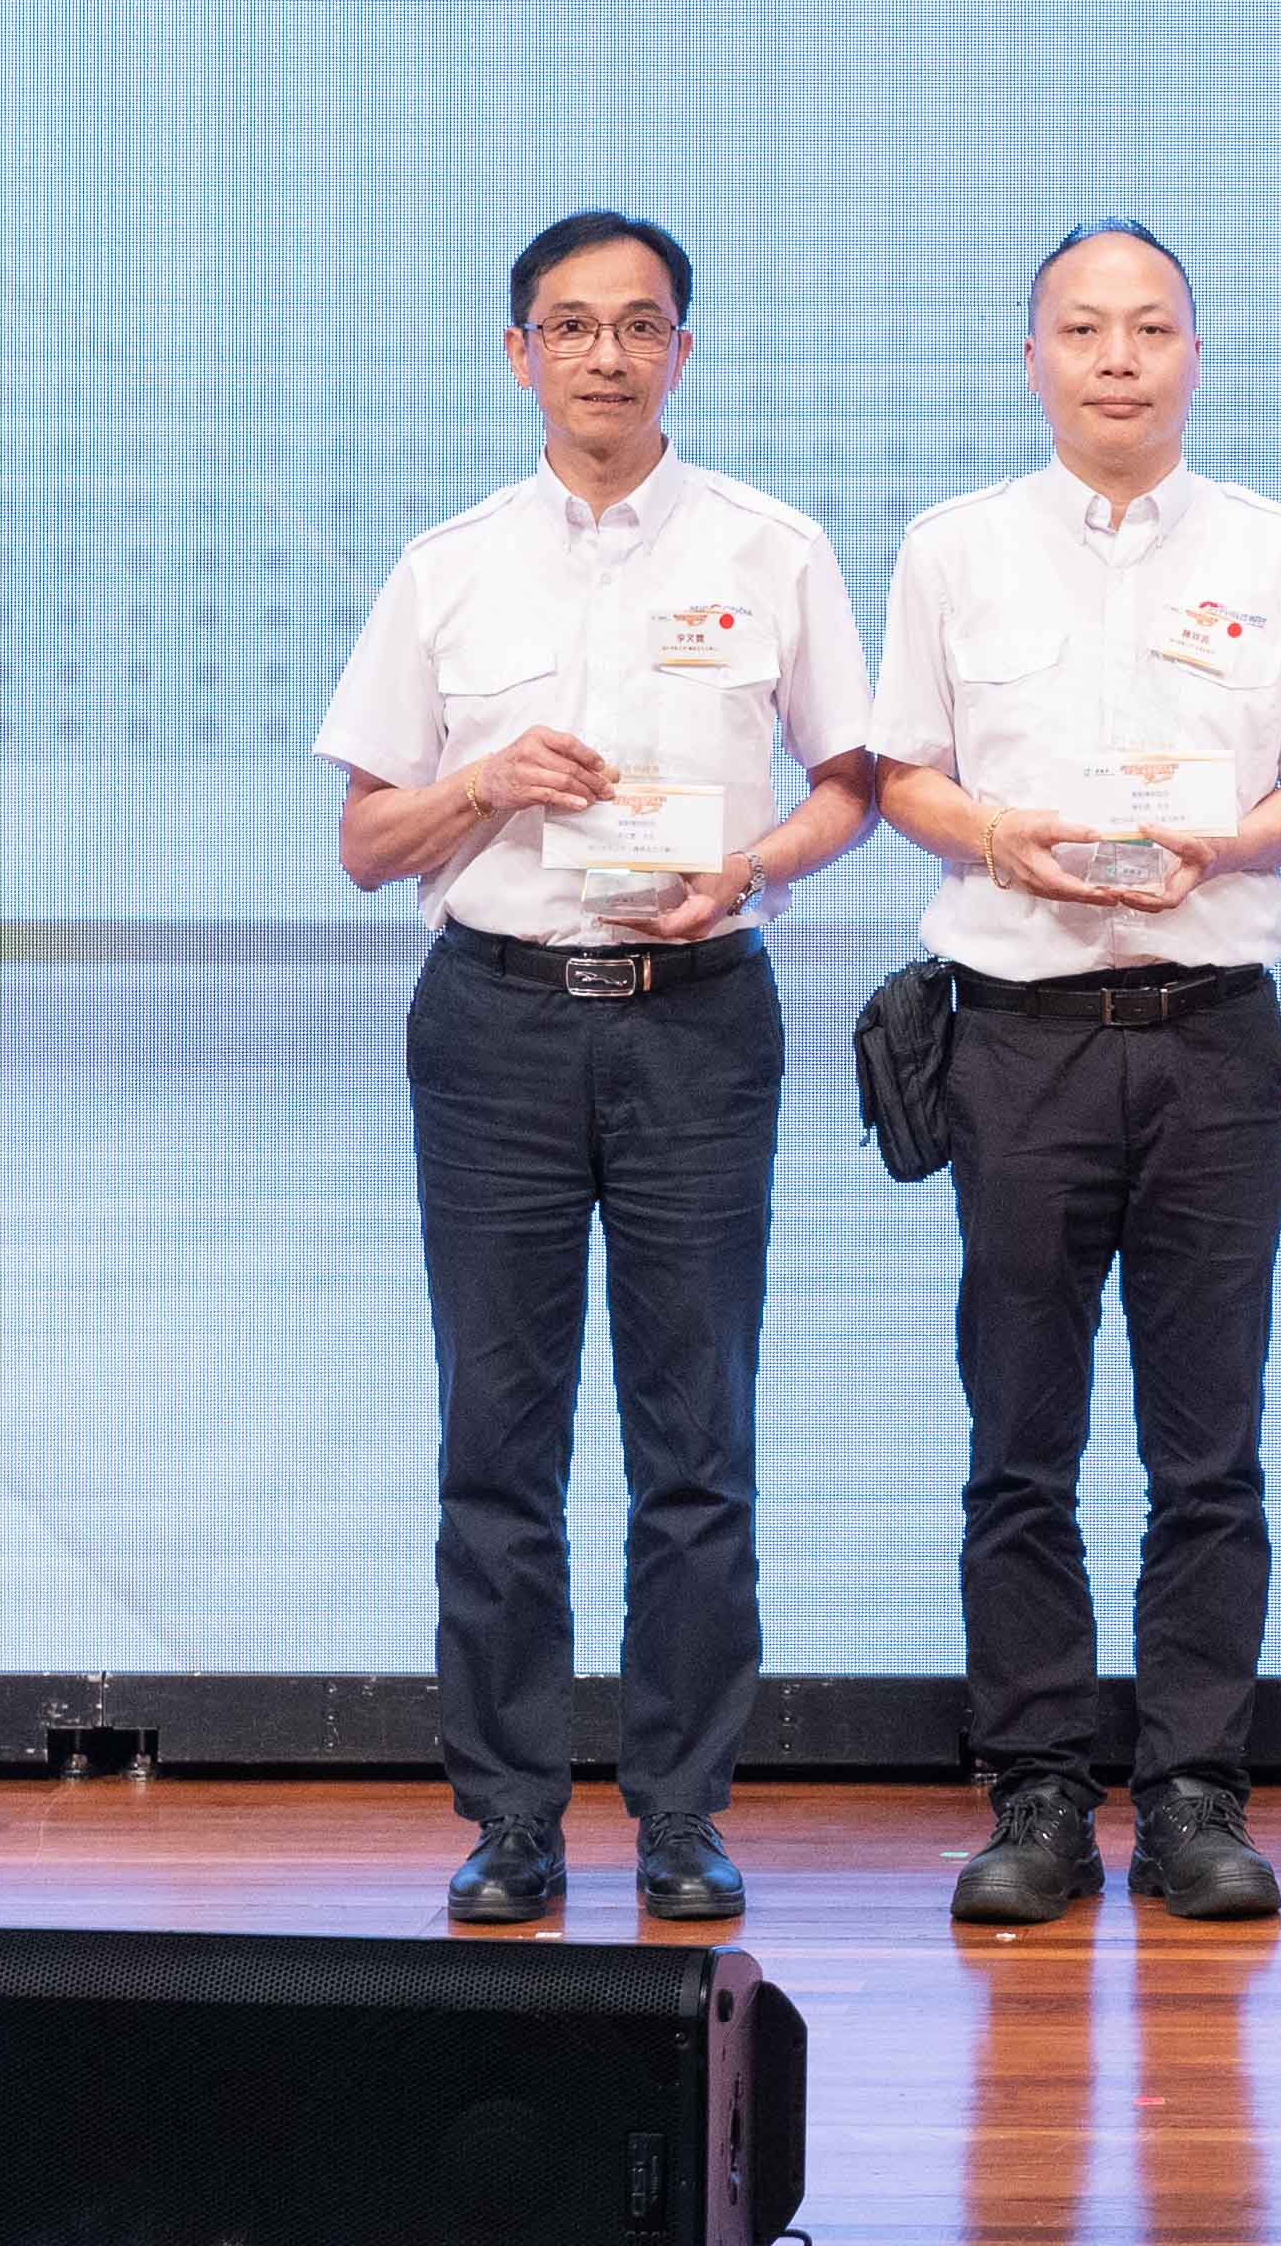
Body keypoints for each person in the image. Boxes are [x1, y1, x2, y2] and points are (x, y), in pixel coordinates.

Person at [318, 208, 875, 1931]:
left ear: (683, 353)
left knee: (694, 1435)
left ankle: (686, 1811)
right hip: (492, 1023)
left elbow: (850, 782)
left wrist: (760, 867)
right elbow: (363, 840)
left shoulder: (774, 549)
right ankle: (505, 1819)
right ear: (520, 357)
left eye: (641, 326)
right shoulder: (448, 567)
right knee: (499, 1434)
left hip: (700, 1013)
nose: (608, 357)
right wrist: (485, 781)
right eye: (572, 328)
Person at [865, 220, 1281, 1930]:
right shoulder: (953, 551)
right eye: (1083, 328)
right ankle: (1033, 1790)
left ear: (1195, 354)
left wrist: (1230, 840)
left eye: (1151, 326)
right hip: (1016, 1038)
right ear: (1033, 358)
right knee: (1021, 1440)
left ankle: (1197, 1792)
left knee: (1206, 1447)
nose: (1118, 357)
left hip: (1214, 1038)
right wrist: (1001, 837)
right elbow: (906, 775)